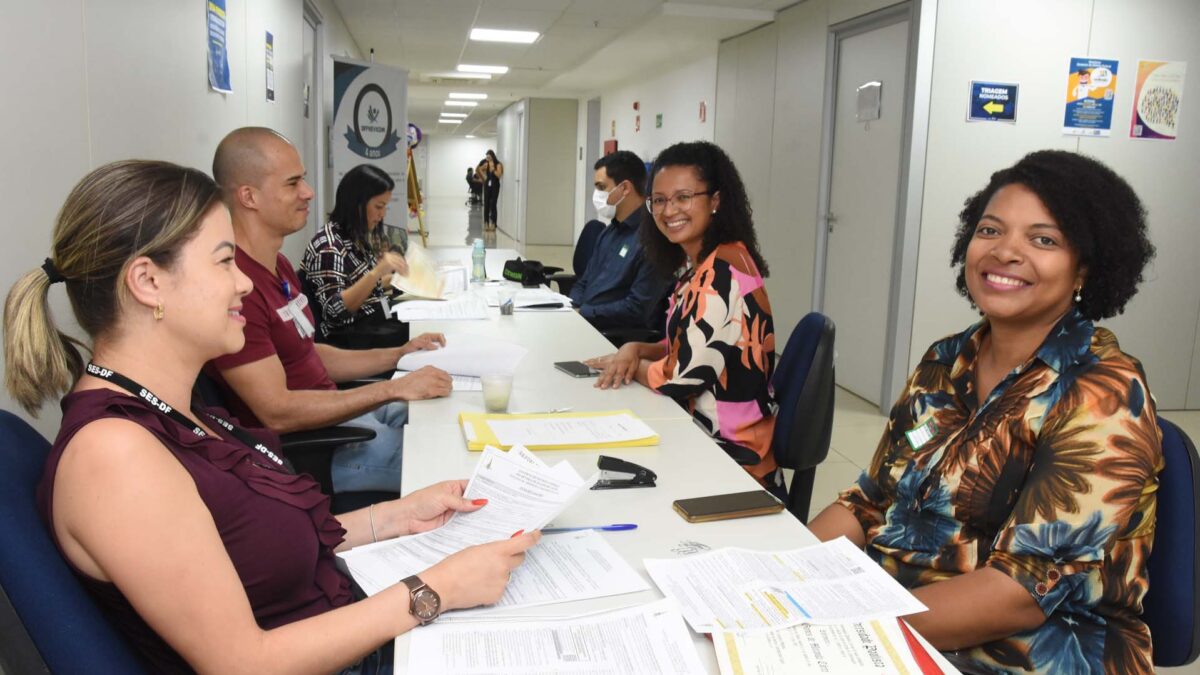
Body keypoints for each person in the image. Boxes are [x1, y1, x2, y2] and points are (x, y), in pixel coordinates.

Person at [3, 159, 541, 673]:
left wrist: (397, 517)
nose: (242, 282)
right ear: (148, 283)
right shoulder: (114, 457)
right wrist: (436, 589)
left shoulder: (171, 408)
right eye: (222, 261)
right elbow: (242, 663)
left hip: (344, 618)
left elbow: (258, 547)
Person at [807, 150, 1161, 674]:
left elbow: (1021, 592)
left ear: (1084, 266)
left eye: (1043, 240)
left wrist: (851, 628)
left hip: (1024, 650)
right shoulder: (944, 360)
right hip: (894, 615)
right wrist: (782, 576)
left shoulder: (1102, 392)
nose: (1005, 252)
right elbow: (870, 502)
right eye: (990, 230)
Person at [209, 127, 451, 494]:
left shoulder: (278, 267)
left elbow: (310, 353)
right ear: (249, 196)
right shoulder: (236, 289)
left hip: (340, 415)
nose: (308, 192)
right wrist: (392, 389)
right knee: (446, 459)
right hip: (319, 451)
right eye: (293, 184)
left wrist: (398, 355)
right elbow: (277, 411)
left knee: (451, 416)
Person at [586, 141, 781, 493]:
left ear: (716, 201)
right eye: (658, 200)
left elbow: (681, 377)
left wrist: (631, 366)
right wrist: (637, 349)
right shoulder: (712, 261)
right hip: (703, 432)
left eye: (683, 197)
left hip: (731, 455)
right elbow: (688, 342)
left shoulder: (721, 275)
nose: (668, 210)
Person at [301, 163, 409, 346]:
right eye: (378, 206)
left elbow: (360, 286)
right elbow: (336, 312)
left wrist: (399, 280)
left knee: (420, 318)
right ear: (356, 203)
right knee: (418, 333)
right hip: (351, 334)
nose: (382, 214)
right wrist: (377, 272)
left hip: (373, 316)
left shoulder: (353, 235)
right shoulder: (329, 247)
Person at [569, 151, 673, 332]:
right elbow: (583, 281)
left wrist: (584, 312)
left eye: (601, 187)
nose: (597, 195)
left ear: (625, 188)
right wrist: (571, 307)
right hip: (583, 324)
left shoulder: (653, 240)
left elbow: (636, 309)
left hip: (614, 337)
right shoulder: (609, 231)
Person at [477, 150, 503, 231]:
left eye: (489, 156)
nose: (487, 158)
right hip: (487, 185)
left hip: (495, 185)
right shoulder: (485, 163)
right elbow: (478, 169)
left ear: (492, 156)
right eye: (487, 156)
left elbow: (499, 175)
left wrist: (493, 170)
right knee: (487, 204)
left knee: (493, 204)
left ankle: (493, 224)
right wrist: (483, 178)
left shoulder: (498, 164)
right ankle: (486, 223)